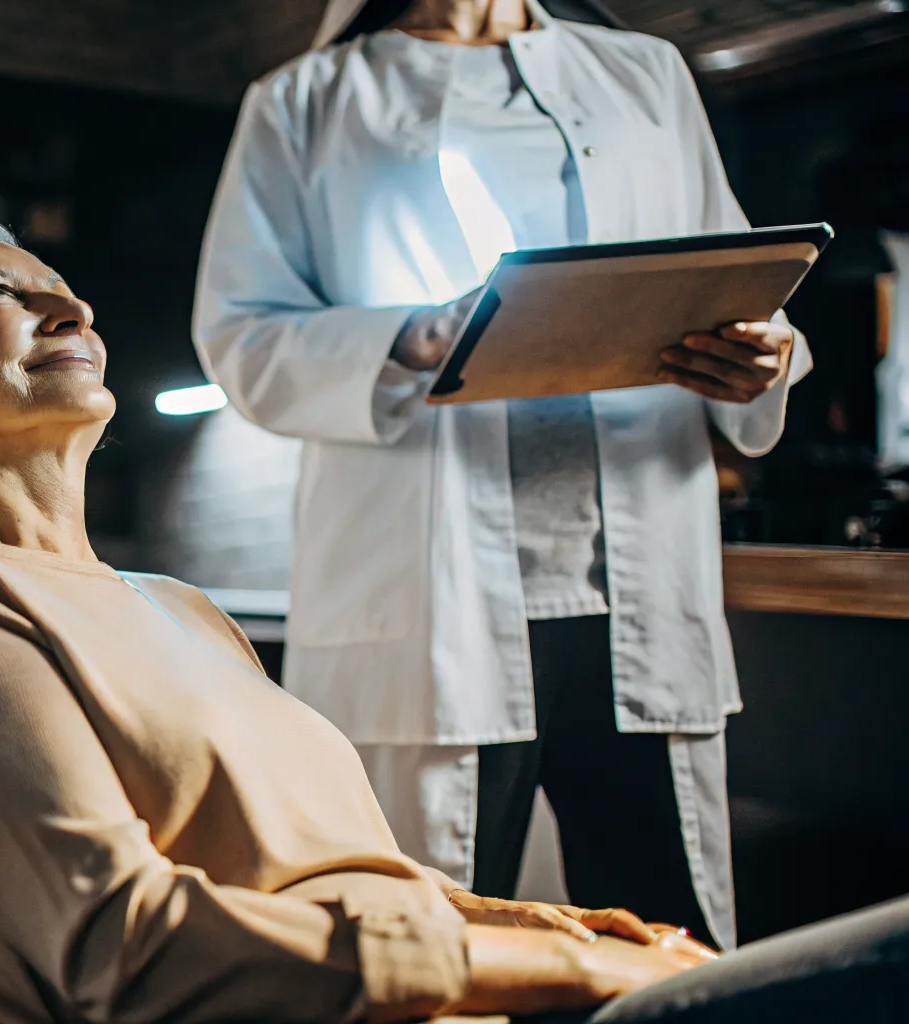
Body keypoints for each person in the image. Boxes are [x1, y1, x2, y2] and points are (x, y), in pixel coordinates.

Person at [0, 216, 906, 1023]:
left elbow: (343, 874)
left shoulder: (182, 610)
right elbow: (119, 949)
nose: (71, 307)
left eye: (60, 284)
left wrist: (562, 929)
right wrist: (577, 973)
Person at [190, 0, 811, 951]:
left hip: (634, 591)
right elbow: (241, 336)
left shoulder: (644, 74)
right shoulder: (306, 100)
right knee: (447, 944)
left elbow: (731, 277)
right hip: (428, 609)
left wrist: (762, 354)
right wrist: (416, 335)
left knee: (667, 942)